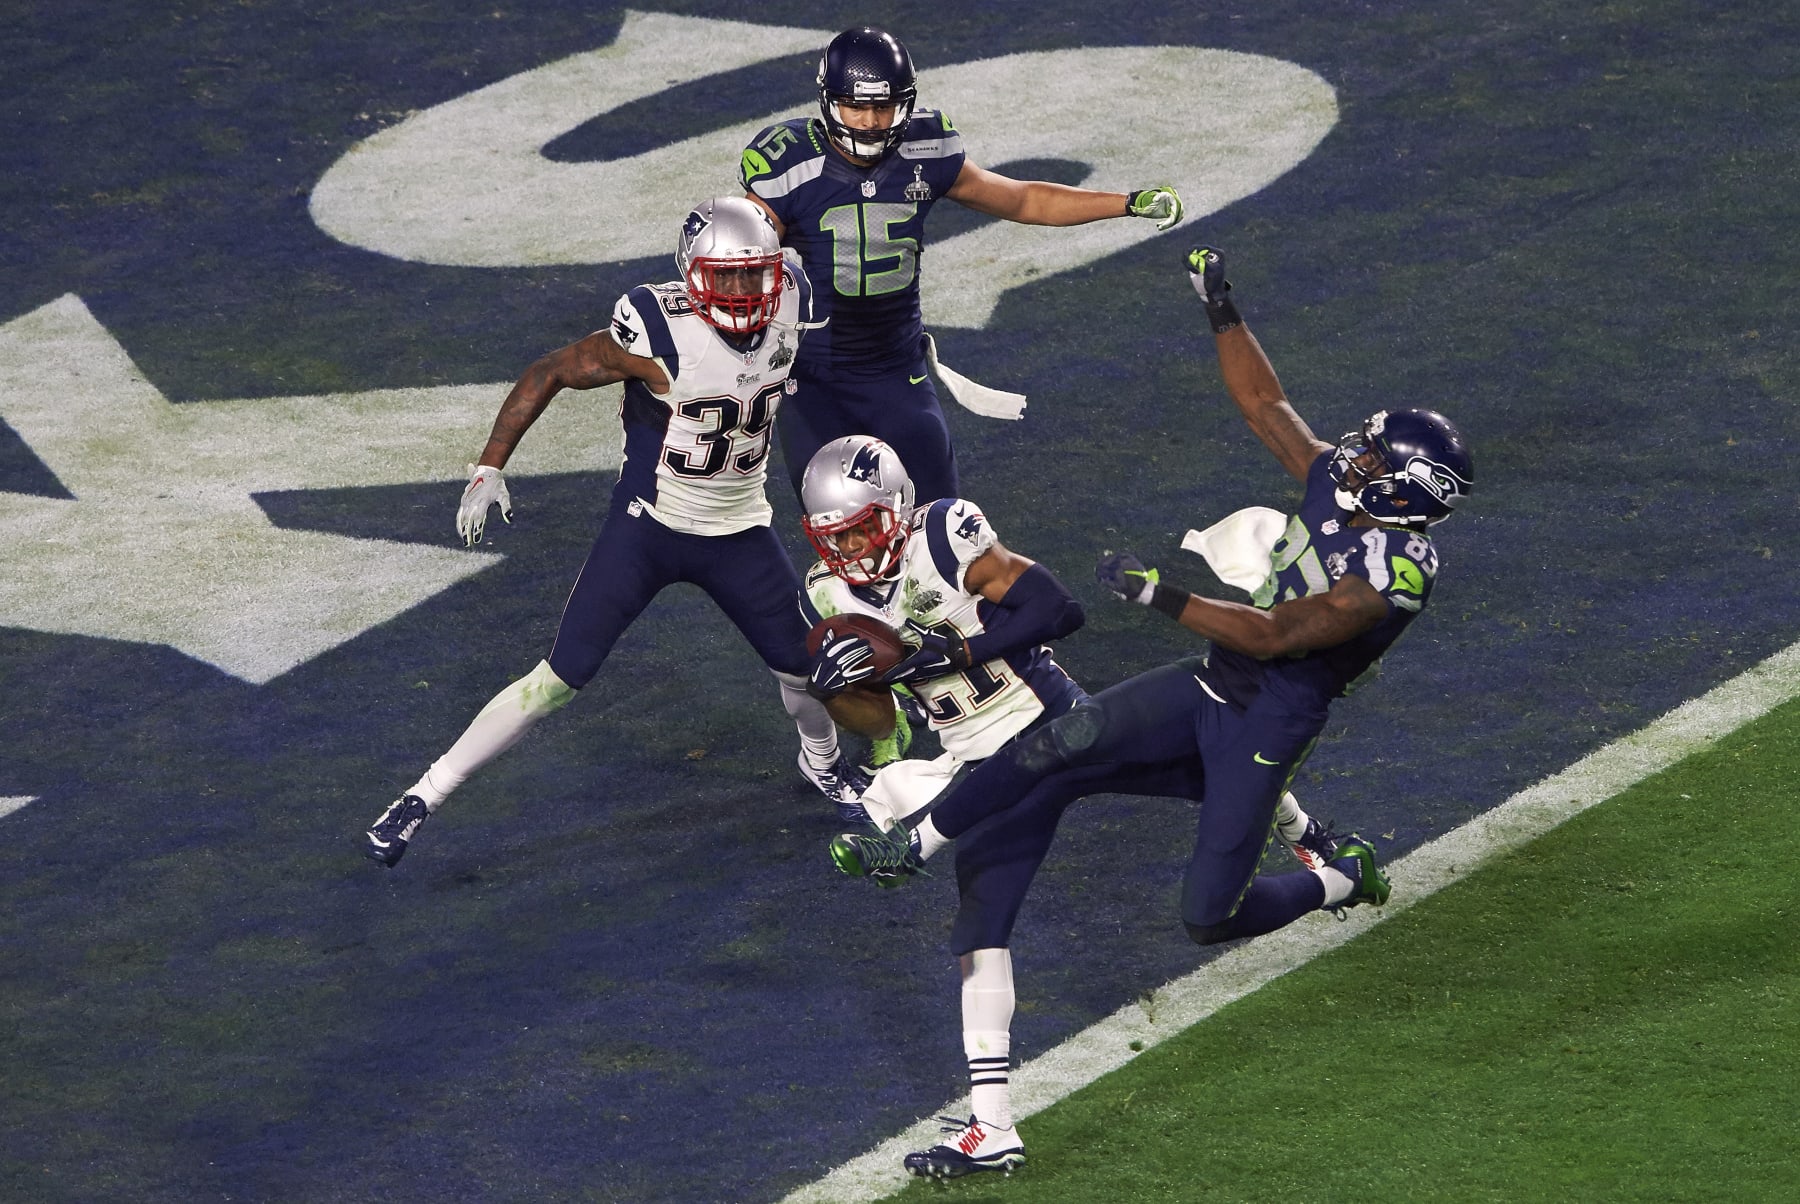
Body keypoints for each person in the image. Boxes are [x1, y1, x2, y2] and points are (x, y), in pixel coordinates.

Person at [829, 246, 1474, 1176]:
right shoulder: (1345, 486)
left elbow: (1272, 635)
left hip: (1267, 722)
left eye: (1374, 455)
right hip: (1209, 683)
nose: (1354, 453)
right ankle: (917, 845)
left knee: (1207, 919)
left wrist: (1156, 594)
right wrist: (1222, 310)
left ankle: (1336, 875)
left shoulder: (1392, 576)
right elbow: (1266, 407)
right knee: (1063, 739)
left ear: (1397, 493)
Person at [798, 434, 1341, 1180]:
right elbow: (882, 725)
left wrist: (947, 655)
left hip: (1055, 720)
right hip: (976, 757)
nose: (850, 550)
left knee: (1204, 769)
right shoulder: (829, 594)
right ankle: (991, 1126)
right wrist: (840, 690)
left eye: (860, 529)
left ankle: (1315, 845)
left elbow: (1057, 608)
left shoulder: (943, 533)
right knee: (983, 919)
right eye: (835, 538)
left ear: (893, 509)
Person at [363, 197, 871, 868]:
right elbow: (550, 370)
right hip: (649, 528)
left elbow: (830, 352)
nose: (747, 292)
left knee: (804, 672)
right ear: (692, 275)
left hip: (738, 529)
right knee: (560, 676)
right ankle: (425, 794)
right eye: (729, 276)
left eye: (756, 275)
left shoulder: (791, 300)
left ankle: (822, 761)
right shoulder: (658, 330)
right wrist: (489, 465)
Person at [739, 26, 1185, 507]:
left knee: (939, 524)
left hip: (896, 371)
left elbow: (1024, 198)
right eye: (856, 106)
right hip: (814, 380)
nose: (869, 121)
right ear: (829, 101)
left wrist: (1126, 202)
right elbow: (735, 268)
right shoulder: (788, 164)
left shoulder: (926, 148)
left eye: (883, 107)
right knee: (838, 533)